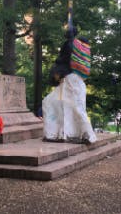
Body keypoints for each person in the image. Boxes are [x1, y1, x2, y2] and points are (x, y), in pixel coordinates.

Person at [42, 14, 97, 144]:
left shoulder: (70, 44)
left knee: (69, 106)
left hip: (70, 79)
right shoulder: (76, 45)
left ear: (71, 32)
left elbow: (62, 60)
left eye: (68, 29)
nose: (66, 30)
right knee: (56, 104)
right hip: (73, 80)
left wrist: (57, 72)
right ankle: (60, 133)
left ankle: (87, 135)